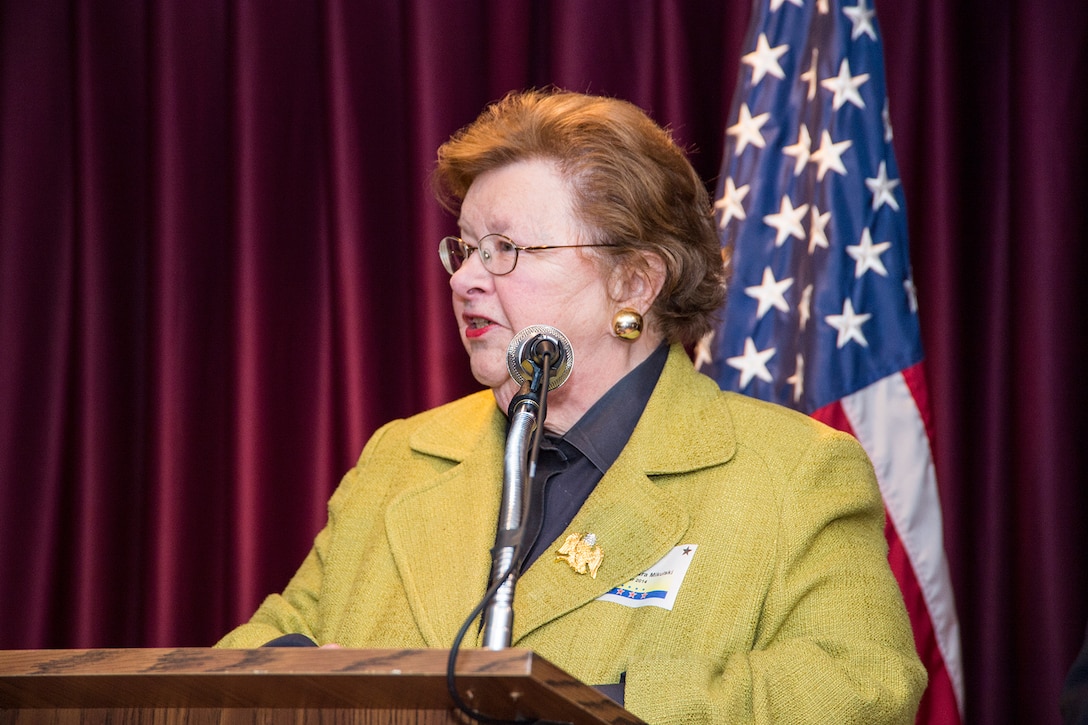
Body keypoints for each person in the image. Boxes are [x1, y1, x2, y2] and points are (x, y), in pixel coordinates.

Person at [216, 88, 927, 723]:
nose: (465, 277)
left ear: (636, 281)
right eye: (464, 248)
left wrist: (589, 710)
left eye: (505, 249)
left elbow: (860, 686)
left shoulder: (794, 472)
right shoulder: (402, 456)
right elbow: (266, 640)